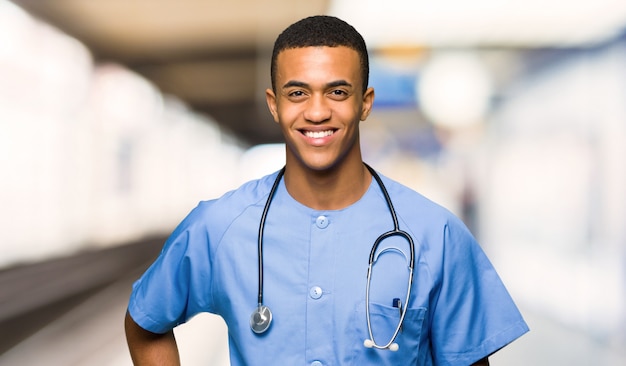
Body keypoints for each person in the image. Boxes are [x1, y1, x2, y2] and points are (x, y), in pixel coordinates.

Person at [125, 15, 529, 365]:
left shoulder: (436, 236)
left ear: (366, 103)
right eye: (297, 93)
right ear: (273, 104)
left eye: (337, 92)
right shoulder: (218, 227)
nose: (317, 112)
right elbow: (145, 322)